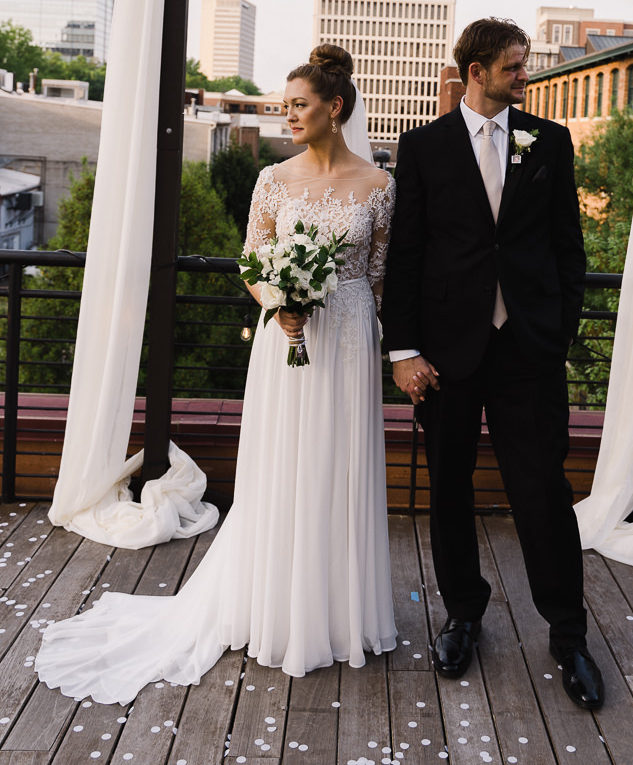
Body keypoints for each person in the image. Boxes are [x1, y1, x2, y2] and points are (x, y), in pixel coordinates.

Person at [35, 44, 396, 703]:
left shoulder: (379, 185)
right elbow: (252, 261)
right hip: (284, 343)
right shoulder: (273, 180)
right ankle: (272, 605)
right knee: (287, 464)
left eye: (299, 105)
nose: (287, 115)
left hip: (348, 345)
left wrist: (342, 312)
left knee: (338, 466)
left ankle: (338, 613)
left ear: (334, 108)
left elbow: (375, 277)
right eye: (284, 105)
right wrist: (280, 304)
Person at [381, 17, 603, 710]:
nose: (524, 75)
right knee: (449, 485)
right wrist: (404, 350)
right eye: (513, 67)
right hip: (445, 352)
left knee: (542, 489)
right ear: (474, 72)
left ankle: (568, 635)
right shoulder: (421, 148)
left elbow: (568, 245)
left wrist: (559, 328)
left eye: (524, 65)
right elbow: (408, 255)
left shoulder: (550, 141)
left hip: (527, 349)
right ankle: (464, 616)